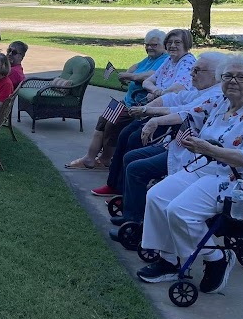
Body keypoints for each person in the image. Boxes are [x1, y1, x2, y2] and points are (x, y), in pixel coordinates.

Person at [135, 54, 243, 295]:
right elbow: (188, 112)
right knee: (157, 195)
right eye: (228, 76)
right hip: (207, 168)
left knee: (179, 210)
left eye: (241, 77)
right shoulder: (221, 101)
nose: (233, 81)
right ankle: (169, 260)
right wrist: (154, 120)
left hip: (239, 183)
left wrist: (211, 149)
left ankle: (216, 257)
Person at [107, 51, 227, 230]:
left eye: (197, 71)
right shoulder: (202, 90)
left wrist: (152, 117)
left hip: (192, 156)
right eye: (192, 70)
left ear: (216, 75)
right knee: (131, 156)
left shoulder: (214, 95)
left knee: (135, 167)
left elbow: (185, 112)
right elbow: (174, 98)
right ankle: (132, 211)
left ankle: (137, 223)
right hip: (178, 147)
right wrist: (148, 108)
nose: (191, 74)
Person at [90, 28, 196, 195]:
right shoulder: (170, 60)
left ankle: (125, 187)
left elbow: (179, 88)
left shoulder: (187, 62)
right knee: (125, 134)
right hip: (152, 108)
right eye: (170, 42)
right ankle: (114, 184)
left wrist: (158, 92)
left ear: (187, 44)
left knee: (133, 139)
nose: (172, 46)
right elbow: (148, 81)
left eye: (177, 42)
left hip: (167, 114)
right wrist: (156, 90)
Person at [64, 29, 168, 170]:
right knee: (102, 121)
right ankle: (89, 158)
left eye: (154, 45)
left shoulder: (165, 60)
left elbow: (149, 75)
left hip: (138, 105)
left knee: (112, 126)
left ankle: (105, 159)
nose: (149, 48)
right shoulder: (150, 58)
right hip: (127, 101)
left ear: (164, 45)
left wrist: (129, 77)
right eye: (147, 44)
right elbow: (136, 66)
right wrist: (128, 73)